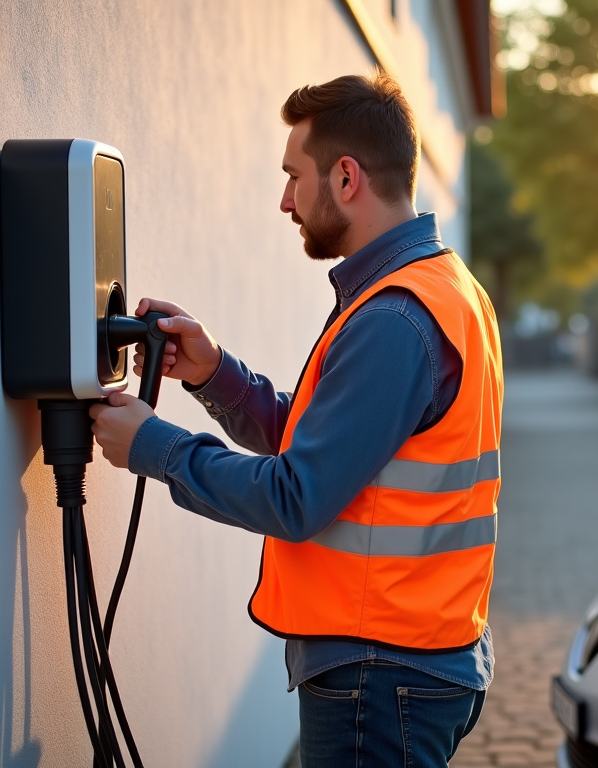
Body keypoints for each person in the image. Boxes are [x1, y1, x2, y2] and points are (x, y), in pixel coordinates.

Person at [89, 71, 502, 768]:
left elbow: (297, 495)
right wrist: (216, 373)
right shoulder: (440, 286)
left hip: (382, 673)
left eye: (293, 176)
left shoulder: (395, 318)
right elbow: (330, 449)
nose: (284, 200)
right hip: (415, 656)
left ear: (345, 178)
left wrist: (152, 447)